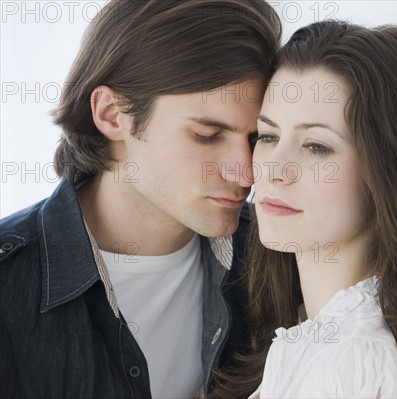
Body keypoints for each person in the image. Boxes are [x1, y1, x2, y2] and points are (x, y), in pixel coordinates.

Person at [0, 0, 280, 397]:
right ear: (112, 114)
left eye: (257, 138)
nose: (247, 172)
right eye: (207, 135)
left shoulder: (281, 254)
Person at [210, 20, 397, 398]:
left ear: (387, 171)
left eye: (316, 147)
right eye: (268, 136)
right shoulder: (309, 338)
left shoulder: (356, 359)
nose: (274, 170)